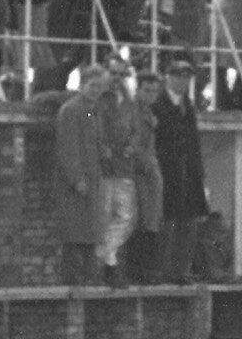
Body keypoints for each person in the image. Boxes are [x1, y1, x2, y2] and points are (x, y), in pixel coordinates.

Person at [153, 59, 208, 282]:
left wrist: (199, 172)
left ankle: (181, 271)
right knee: (168, 220)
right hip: (168, 170)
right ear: (169, 77)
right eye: (179, 77)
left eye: (187, 78)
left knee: (189, 220)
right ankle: (164, 270)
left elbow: (194, 141)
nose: (183, 82)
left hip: (189, 172)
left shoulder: (188, 106)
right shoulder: (158, 104)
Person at [54, 65, 107, 285]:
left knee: (89, 231)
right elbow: (68, 147)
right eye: (92, 85)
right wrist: (76, 178)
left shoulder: (92, 110)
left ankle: (87, 278)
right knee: (75, 232)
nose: (96, 90)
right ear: (82, 85)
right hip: (76, 183)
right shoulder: (71, 110)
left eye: (99, 86)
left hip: (92, 180)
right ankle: (73, 279)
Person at [95, 56, 139, 287]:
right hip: (106, 166)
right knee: (105, 215)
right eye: (113, 73)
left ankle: (105, 254)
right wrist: (103, 149)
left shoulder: (129, 101)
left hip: (125, 165)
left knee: (127, 217)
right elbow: (97, 128)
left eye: (122, 74)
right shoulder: (101, 100)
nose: (117, 79)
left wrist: (132, 144)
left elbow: (135, 128)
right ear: (106, 73)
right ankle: (108, 266)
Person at [128, 70, 167, 283]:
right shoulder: (134, 111)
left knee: (150, 223)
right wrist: (147, 164)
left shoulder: (149, 111)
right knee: (142, 223)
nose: (151, 94)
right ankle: (140, 272)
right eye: (146, 90)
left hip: (149, 175)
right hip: (140, 175)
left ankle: (146, 271)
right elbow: (132, 143)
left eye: (154, 90)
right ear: (138, 89)